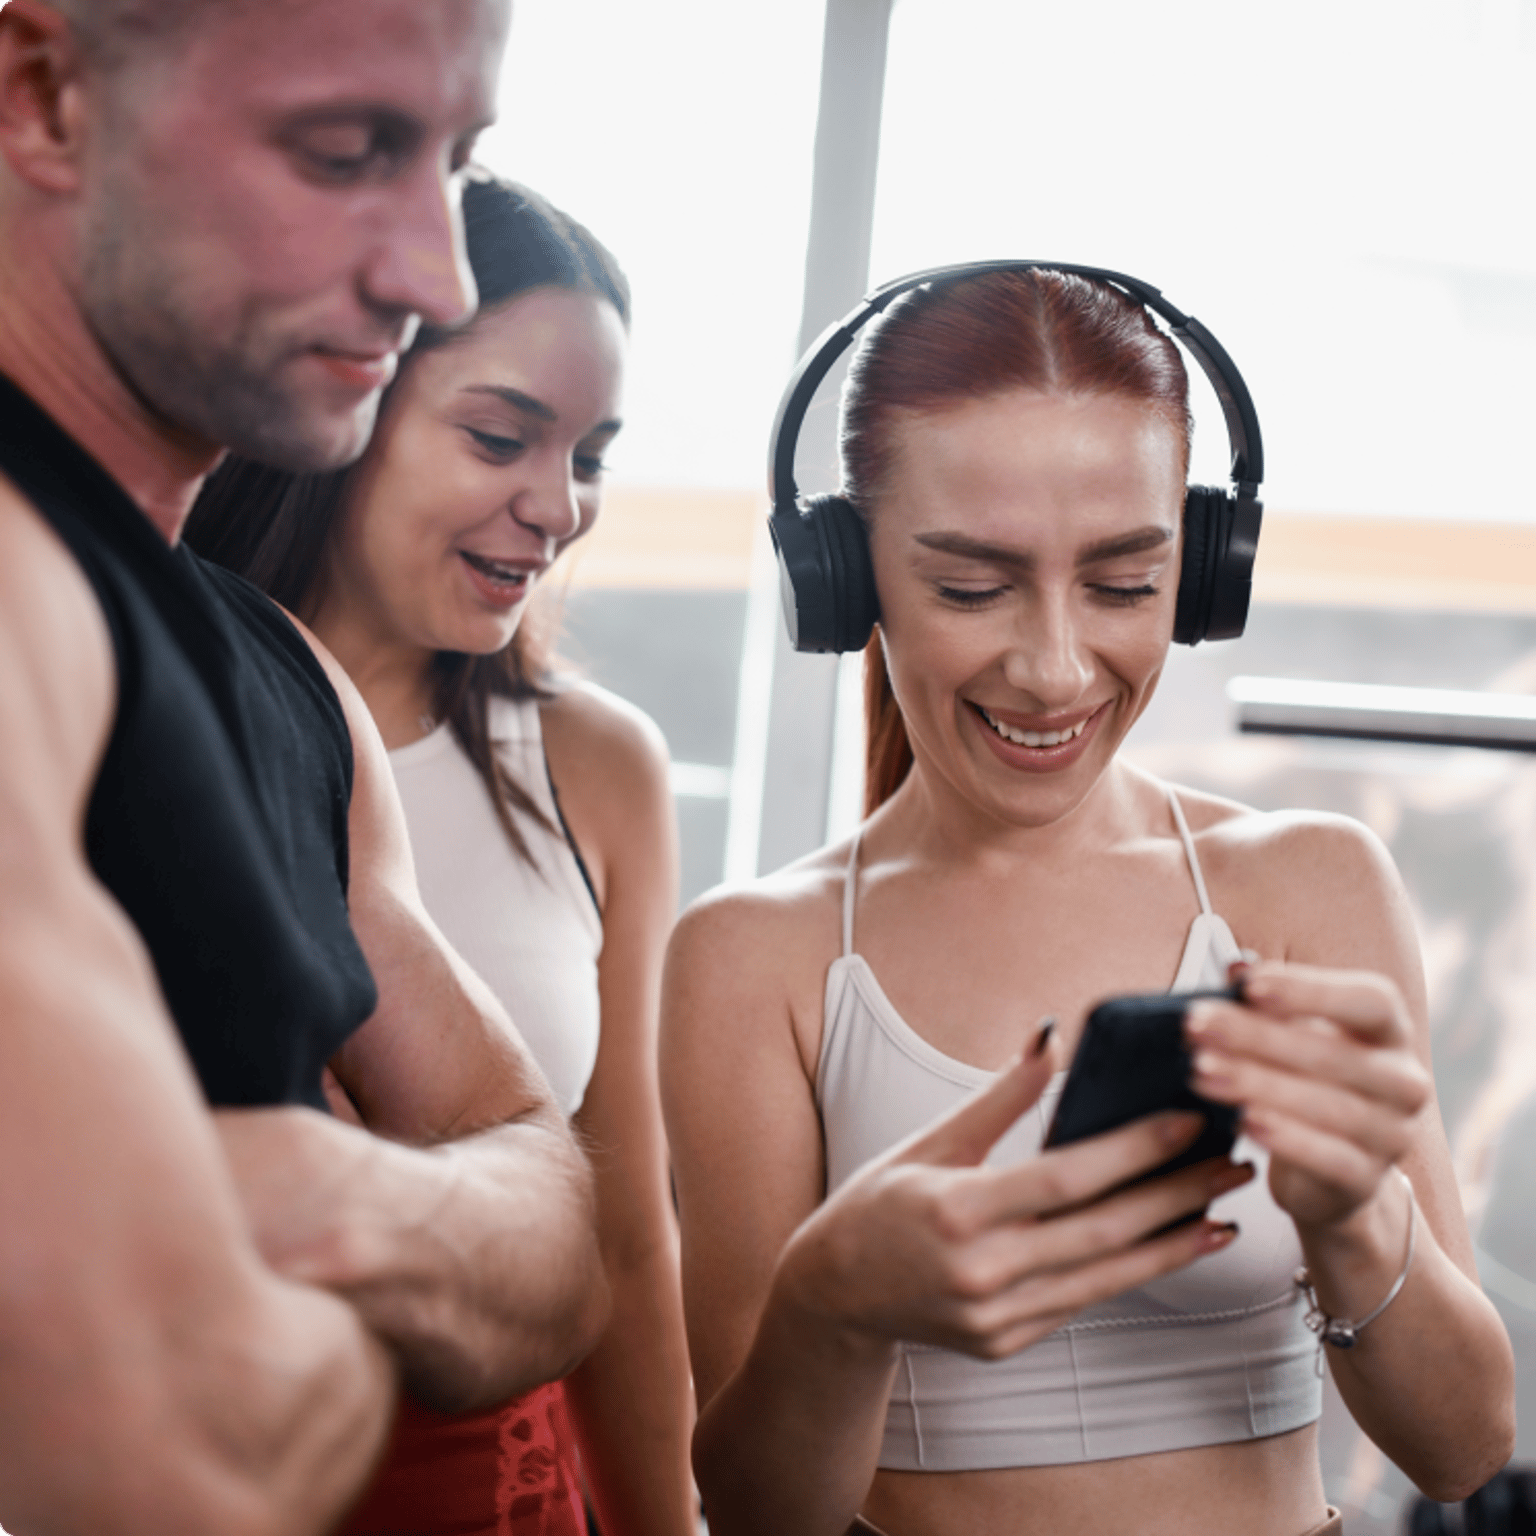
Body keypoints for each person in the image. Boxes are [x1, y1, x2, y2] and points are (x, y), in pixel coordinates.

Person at [659, 267, 1517, 1536]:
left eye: (1123, 586)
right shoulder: (755, 960)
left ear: (1203, 572)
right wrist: (835, 1310)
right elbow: (760, 1515)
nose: (1056, 668)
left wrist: (1356, 1218)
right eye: (968, 588)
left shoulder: (1303, 886)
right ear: (846, 581)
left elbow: (1462, 1450)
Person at [0, 3, 609, 1532]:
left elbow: (556, 1220)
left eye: (456, 164)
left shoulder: (289, 679)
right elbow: (157, 1437)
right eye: (349, 152)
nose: (437, 272)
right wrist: (398, 1253)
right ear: (44, 95)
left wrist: (316, 1196)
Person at [184, 173, 697, 1536]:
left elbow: (627, 1234)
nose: (559, 507)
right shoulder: (146, 712)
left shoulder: (597, 769)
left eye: (586, 456)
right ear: (346, 400)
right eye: (500, 437)